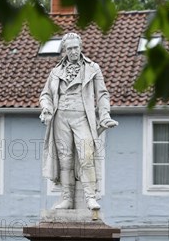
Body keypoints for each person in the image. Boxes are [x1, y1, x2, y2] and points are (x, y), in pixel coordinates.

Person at [39, 32, 118, 210]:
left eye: (76, 48)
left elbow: (103, 94)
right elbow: (45, 95)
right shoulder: (55, 71)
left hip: (82, 116)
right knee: (65, 159)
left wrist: (104, 115)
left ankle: (90, 196)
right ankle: (67, 198)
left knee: (86, 155)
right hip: (61, 118)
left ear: (81, 48)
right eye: (69, 49)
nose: (73, 51)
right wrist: (46, 107)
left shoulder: (93, 68)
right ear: (64, 51)